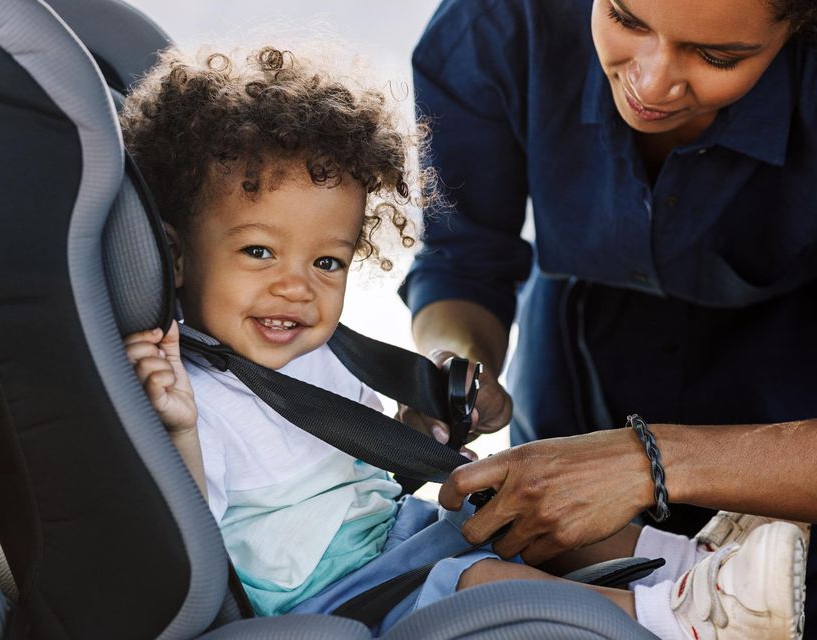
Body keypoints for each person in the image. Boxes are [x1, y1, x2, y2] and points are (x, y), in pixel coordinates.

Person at [117, 44, 806, 639]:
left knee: (527, 508)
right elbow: (189, 541)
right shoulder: (189, 391)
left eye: (327, 263)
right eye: (260, 252)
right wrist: (177, 429)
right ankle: (684, 620)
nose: (297, 288)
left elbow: (346, 474)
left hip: (392, 537)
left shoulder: (310, 352)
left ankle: (696, 565)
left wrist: (413, 429)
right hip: (336, 590)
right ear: (176, 257)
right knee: (482, 581)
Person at [398, 0, 817, 636]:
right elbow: (464, 258)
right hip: (576, 367)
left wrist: (650, 462)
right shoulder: (494, 26)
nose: (650, 84)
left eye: (717, 56)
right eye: (626, 19)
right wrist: (452, 365)